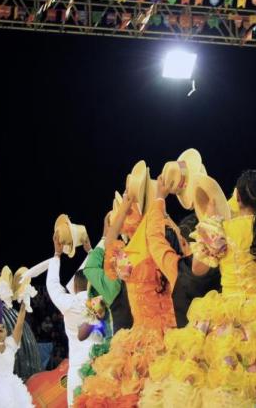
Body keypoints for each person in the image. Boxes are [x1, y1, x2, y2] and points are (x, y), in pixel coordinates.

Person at [142, 171, 256, 407]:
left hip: (230, 319)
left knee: (227, 387)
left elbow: (198, 268)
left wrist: (209, 221)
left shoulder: (225, 228)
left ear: (238, 198)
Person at [76, 161, 177, 407]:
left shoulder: (148, 241)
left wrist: (151, 200)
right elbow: (110, 240)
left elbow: (98, 256)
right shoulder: (131, 252)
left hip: (155, 336)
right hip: (143, 336)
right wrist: (130, 204)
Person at [147, 179, 221, 328]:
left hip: (191, 347)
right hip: (225, 343)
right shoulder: (223, 257)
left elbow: (154, 237)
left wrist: (159, 199)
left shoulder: (177, 269)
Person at [46, 232, 101, 406]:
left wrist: (57, 255)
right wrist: (92, 252)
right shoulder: (102, 301)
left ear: (75, 286)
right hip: (103, 365)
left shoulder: (69, 303)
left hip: (78, 367)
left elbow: (53, 285)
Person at [83, 212, 134, 334]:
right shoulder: (147, 268)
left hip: (124, 345)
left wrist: (105, 237)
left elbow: (90, 268)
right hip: (155, 340)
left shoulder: (113, 285)